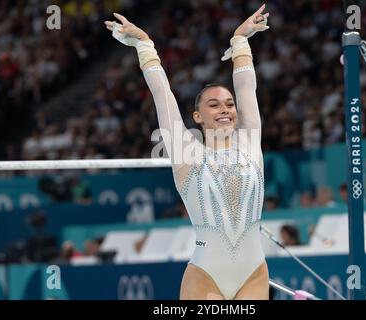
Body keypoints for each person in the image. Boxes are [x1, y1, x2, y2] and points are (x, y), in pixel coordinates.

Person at [105, 4, 270, 300]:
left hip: (254, 272)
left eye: (229, 104)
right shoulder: (187, 152)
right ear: (197, 117)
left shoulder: (249, 141)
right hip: (206, 275)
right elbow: (162, 94)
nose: (225, 109)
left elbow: (247, 88)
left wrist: (240, 40)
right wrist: (145, 46)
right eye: (214, 104)